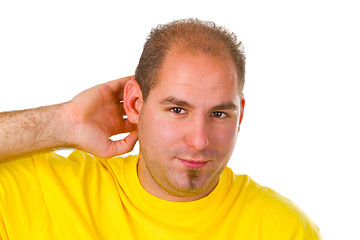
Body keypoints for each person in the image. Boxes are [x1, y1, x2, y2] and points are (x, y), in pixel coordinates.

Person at [0, 19, 321, 239]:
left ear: (239, 117)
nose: (199, 140)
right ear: (135, 104)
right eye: (177, 110)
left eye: (220, 113)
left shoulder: (284, 228)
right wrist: (63, 121)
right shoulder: (46, 191)